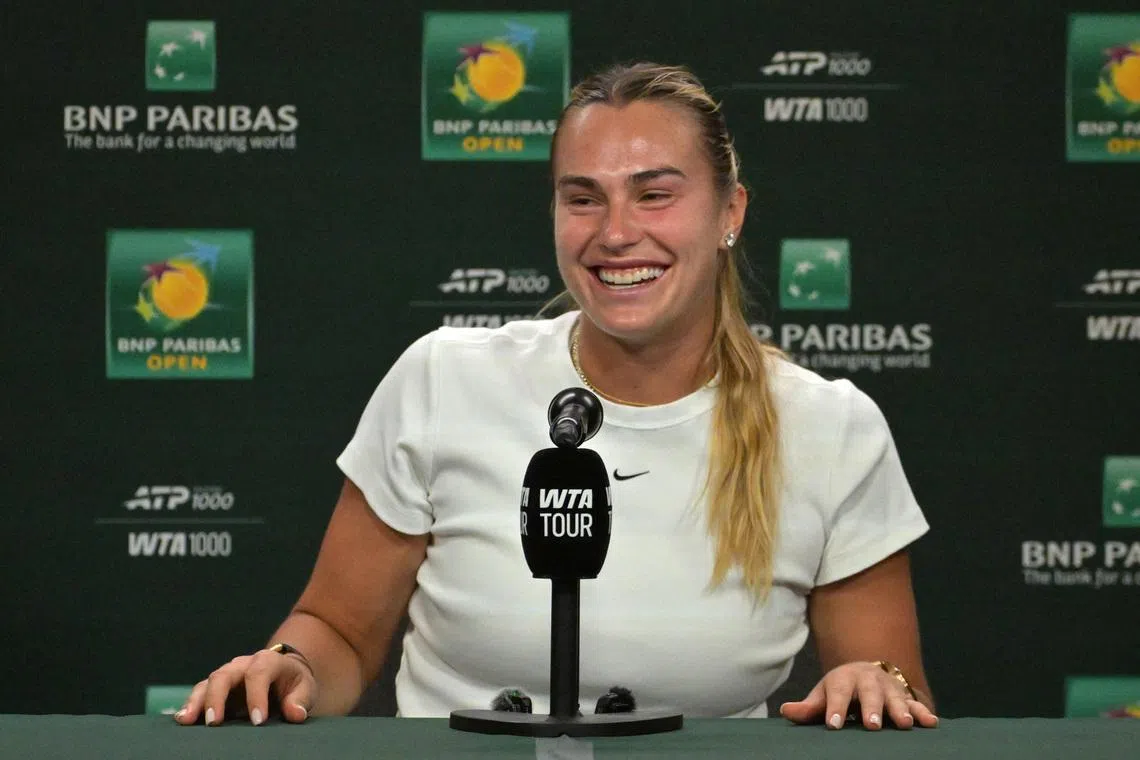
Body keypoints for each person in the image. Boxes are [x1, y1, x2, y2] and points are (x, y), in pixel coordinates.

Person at [174, 62, 938, 732]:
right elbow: (336, 633)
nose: (615, 232)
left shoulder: (829, 427)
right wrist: (291, 667)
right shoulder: (443, 378)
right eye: (583, 198)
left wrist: (871, 685)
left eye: (654, 195)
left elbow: (890, 687)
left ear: (729, 212)